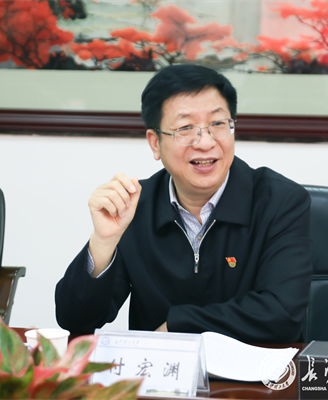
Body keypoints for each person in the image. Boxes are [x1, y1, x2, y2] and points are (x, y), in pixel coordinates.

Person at [55, 64, 312, 343]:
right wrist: (103, 242)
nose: (205, 142)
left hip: (255, 370)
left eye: (218, 124)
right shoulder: (135, 206)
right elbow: (76, 321)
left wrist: (179, 325)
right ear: (155, 143)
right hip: (157, 370)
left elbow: (281, 314)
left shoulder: (280, 202)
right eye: (186, 128)